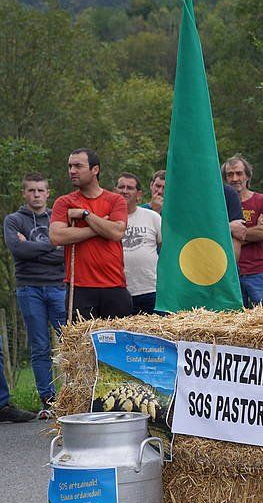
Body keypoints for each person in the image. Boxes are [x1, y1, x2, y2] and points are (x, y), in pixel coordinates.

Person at [3, 173, 65, 416]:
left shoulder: (57, 218)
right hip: (29, 289)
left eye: (40, 190)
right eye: (31, 190)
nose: (36, 195)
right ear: (24, 193)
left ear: (48, 193)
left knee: (70, 343)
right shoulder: (14, 220)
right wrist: (53, 243)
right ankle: (48, 401)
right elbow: (18, 250)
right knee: (39, 346)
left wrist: (33, 249)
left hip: (59, 287)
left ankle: (74, 398)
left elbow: (66, 254)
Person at [48, 149, 131, 319]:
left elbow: (116, 232)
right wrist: (99, 227)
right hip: (79, 288)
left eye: (78, 166)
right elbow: (57, 236)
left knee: (118, 345)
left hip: (114, 285)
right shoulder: (64, 202)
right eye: (70, 166)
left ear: (95, 170)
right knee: (82, 345)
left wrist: (85, 215)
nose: (72, 171)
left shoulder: (116, 200)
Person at [222, 155, 263, 306]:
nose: (235, 178)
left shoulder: (262, 200)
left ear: (247, 175)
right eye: (230, 174)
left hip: (257, 269)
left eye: (239, 173)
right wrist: (236, 230)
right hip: (228, 272)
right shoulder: (219, 204)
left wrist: (233, 234)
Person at [115, 173, 161, 314]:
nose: (125, 191)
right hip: (120, 290)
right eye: (121, 187)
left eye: (130, 188)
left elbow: (164, 249)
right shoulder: (107, 220)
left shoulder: (152, 217)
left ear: (138, 194)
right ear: (114, 191)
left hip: (151, 289)